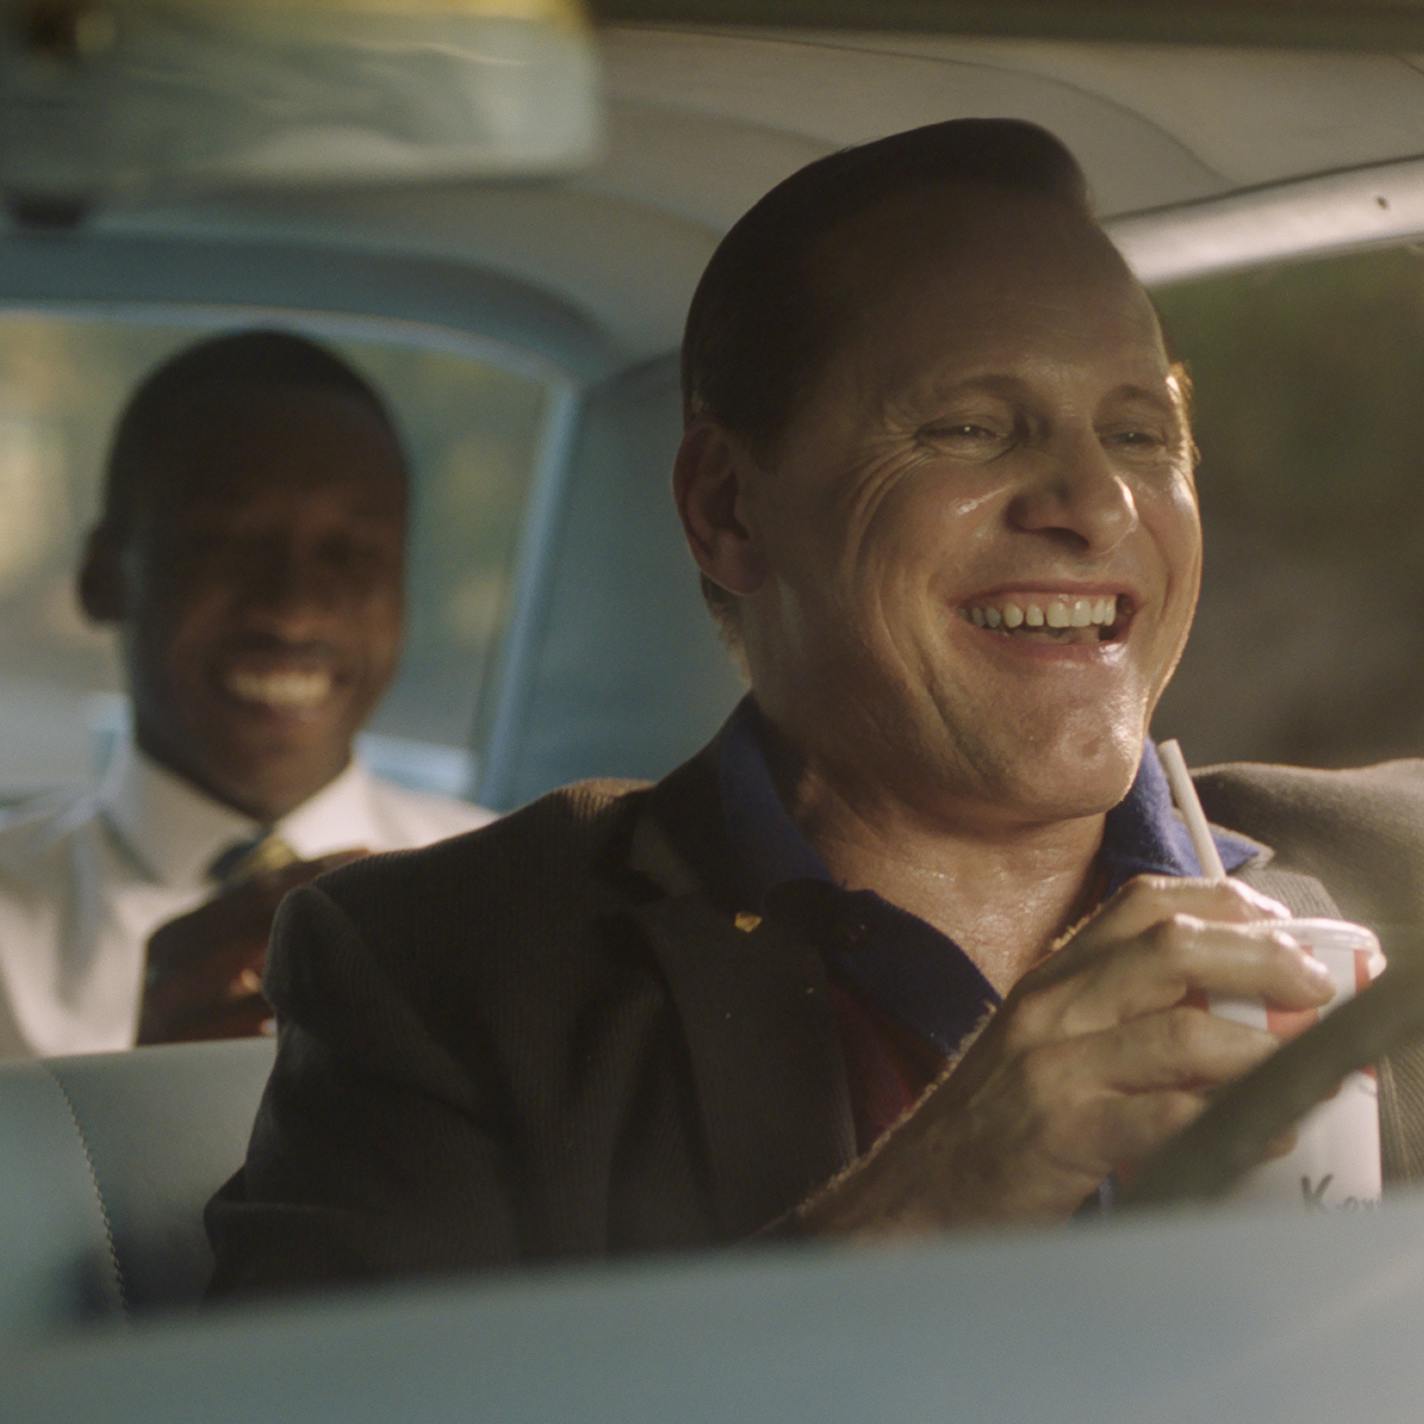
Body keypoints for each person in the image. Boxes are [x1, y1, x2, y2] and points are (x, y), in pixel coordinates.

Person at [206, 121, 1424, 1294]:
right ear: (727, 508)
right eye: (971, 427)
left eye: (1139, 433)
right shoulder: (443, 977)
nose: (1093, 502)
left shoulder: (1400, 873)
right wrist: (928, 1200)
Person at [0, 330, 494, 1058]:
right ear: (103, 576)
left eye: (351, 554)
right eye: (223, 543)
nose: (292, 611)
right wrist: (122, 1119)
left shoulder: (515, 896)